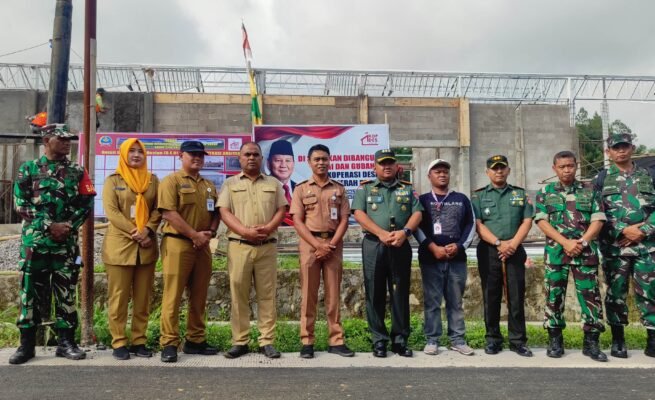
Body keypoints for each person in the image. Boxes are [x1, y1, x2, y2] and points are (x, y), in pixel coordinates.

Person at [9, 124, 96, 365]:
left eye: (69, 139)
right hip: (35, 244)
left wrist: (67, 226)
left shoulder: (77, 171)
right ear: (47, 140)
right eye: (62, 139)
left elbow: (86, 203)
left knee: (66, 292)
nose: (68, 143)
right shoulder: (28, 169)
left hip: (65, 244)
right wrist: (50, 226)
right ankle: (26, 345)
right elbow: (21, 204)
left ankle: (66, 343)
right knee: (29, 293)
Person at [535, 151, 607, 361]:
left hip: (585, 254)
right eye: (562, 167)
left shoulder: (590, 190)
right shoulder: (545, 191)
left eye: (570, 166)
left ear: (577, 166)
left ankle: (591, 343)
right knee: (553, 296)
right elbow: (541, 221)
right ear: (554, 168)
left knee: (590, 297)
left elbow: (598, 219)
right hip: (556, 255)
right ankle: (555, 340)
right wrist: (565, 242)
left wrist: (582, 242)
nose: (566, 170)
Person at [218, 142, 287, 359]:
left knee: (267, 295)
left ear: (261, 158)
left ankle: (267, 341)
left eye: (255, 154)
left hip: (267, 247)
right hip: (240, 246)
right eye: (247, 154)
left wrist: (268, 228)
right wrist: (245, 231)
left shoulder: (274, 183)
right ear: (240, 158)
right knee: (239, 295)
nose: (251, 158)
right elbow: (224, 211)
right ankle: (240, 341)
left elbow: (281, 209)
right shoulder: (230, 183)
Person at [352, 149, 422, 358]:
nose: (387, 167)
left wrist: (405, 232)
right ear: (375, 167)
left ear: (397, 166)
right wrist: (381, 233)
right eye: (382, 163)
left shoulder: (407, 189)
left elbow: (417, 213)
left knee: (400, 293)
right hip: (374, 244)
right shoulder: (365, 189)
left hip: (400, 244)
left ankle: (400, 341)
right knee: (375, 292)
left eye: (390, 163)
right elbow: (359, 213)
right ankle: (379, 341)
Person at [158, 140, 220, 363]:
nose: (197, 158)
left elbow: (216, 213)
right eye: (192, 154)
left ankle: (195, 339)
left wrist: (210, 233)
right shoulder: (171, 181)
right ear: (180, 155)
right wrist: (194, 235)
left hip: (203, 245)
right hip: (178, 244)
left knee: (199, 295)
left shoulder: (209, 185)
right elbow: (168, 213)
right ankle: (169, 342)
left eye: (200, 155)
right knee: (173, 295)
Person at [290, 144, 354, 358]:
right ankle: (307, 341)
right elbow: (297, 221)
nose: (321, 163)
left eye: (324, 159)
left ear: (329, 161)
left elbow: (344, 220)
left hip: (333, 244)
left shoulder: (339, 189)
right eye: (316, 159)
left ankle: (336, 340)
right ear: (309, 162)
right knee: (308, 295)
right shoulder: (301, 189)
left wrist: (330, 245)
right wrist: (317, 245)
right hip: (310, 245)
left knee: (333, 295)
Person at [594, 133, 655, 358]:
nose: (621, 151)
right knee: (615, 293)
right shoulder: (601, 178)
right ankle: (618, 340)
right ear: (608, 152)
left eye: (625, 146)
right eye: (616, 147)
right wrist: (623, 229)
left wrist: (643, 230)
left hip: (646, 247)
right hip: (615, 248)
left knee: (650, 292)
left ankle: (652, 339)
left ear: (632, 148)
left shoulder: (649, 175)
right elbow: (595, 211)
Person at [102, 138, 161, 360]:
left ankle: (139, 341)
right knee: (118, 297)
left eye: (140, 151)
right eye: (132, 151)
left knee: (143, 298)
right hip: (120, 247)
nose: (136, 155)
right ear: (124, 154)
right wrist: (135, 232)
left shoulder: (153, 180)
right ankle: (118, 341)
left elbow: (158, 209)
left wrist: (148, 230)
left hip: (146, 247)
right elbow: (112, 211)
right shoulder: (113, 180)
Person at [471, 155, 534, 357]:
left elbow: (527, 221)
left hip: (514, 249)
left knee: (516, 296)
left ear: (508, 170)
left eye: (502, 168)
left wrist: (512, 244)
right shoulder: (478, 196)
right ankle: (492, 339)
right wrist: (499, 243)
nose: (498, 171)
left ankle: (518, 341)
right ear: (487, 172)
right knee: (491, 296)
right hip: (489, 250)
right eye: (494, 168)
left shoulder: (519, 194)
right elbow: (478, 224)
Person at [414, 159, 476, 356]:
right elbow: (416, 227)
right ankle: (432, 340)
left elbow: (471, 224)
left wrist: (459, 246)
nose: (442, 174)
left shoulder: (461, 199)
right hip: (431, 259)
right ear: (429, 176)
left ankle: (458, 340)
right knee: (432, 301)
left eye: (445, 172)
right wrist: (433, 248)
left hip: (456, 259)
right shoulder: (422, 200)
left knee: (455, 301)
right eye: (437, 171)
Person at [267, 139, 296, 225]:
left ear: (293, 164)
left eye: (288, 160)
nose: (283, 165)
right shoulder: (261, 187)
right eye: (278, 160)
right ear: (268, 164)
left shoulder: (301, 189)